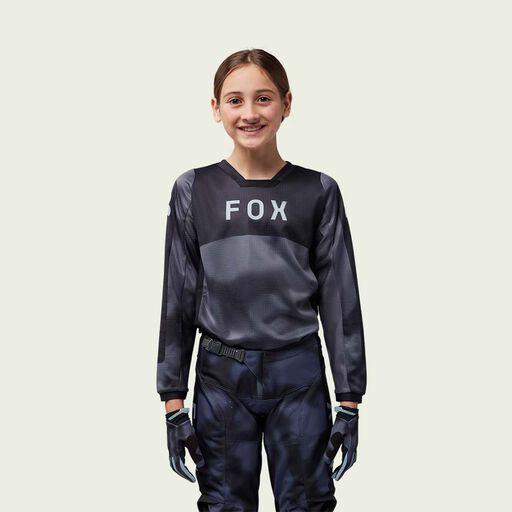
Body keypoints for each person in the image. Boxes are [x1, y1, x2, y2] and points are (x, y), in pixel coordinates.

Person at [156, 48, 367, 512]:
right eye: (235, 100)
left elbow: (340, 298)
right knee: (224, 506)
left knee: (308, 504)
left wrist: (349, 399)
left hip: (298, 377)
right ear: (216, 108)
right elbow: (178, 296)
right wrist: (172, 400)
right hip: (220, 378)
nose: (249, 113)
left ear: (287, 103)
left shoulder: (318, 191)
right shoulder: (194, 189)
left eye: (264, 98)